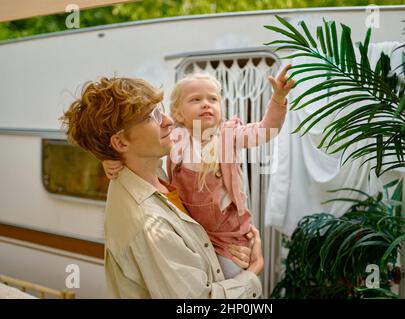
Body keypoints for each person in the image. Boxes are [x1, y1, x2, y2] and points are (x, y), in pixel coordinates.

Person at [61, 77, 264, 298]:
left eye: (160, 110)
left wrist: (107, 157)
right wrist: (253, 271)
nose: (168, 121)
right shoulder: (150, 227)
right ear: (120, 143)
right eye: (152, 117)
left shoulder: (147, 172)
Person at [103, 65, 294, 279]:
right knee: (199, 277)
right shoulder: (173, 139)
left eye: (213, 99)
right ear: (177, 113)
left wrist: (278, 99)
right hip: (191, 232)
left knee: (231, 279)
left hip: (227, 236)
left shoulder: (229, 135)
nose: (206, 104)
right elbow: (136, 150)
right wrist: (110, 159)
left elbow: (266, 129)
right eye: (195, 99)